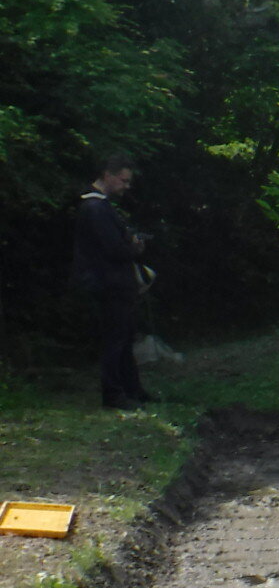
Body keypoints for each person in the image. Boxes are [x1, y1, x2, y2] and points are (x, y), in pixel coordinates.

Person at [71, 152, 152, 409]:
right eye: (123, 180)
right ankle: (113, 394)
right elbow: (114, 250)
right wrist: (135, 247)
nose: (126, 187)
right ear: (108, 175)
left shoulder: (99, 206)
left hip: (115, 282)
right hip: (109, 283)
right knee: (115, 340)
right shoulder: (95, 208)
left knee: (125, 337)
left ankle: (132, 390)